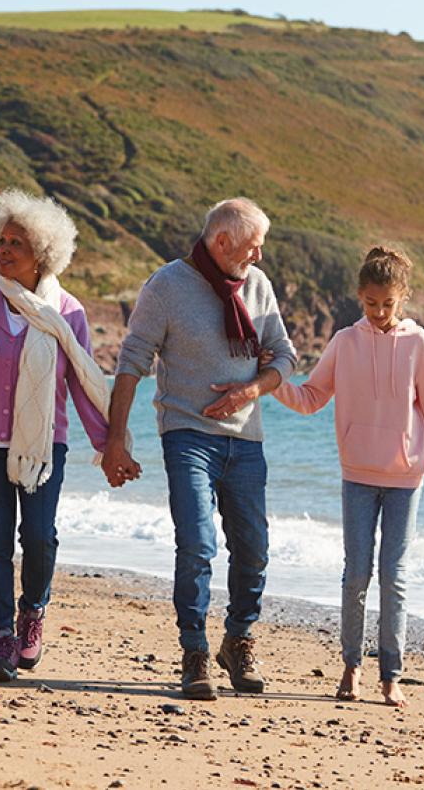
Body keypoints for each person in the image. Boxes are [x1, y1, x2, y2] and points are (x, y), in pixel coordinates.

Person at [102, 197, 297, 701]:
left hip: (246, 438)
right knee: (197, 543)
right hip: (187, 434)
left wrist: (250, 390)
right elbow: (132, 363)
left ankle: (238, 640)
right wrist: (115, 440)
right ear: (222, 242)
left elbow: (286, 356)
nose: (258, 257)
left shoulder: (257, 286)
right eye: (253, 248)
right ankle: (194, 651)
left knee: (253, 549)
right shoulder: (166, 286)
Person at [271, 246, 424, 708]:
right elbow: (313, 395)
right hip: (357, 474)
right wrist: (271, 384)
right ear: (360, 298)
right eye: (371, 304)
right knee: (356, 574)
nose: (378, 313)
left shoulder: (422, 346)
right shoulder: (344, 342)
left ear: (403, 299)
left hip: (404, 480)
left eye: (388, 305)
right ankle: (351, 667)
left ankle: (391, 675)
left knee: (393, 577)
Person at [0, 189, 119, 682]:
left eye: (17, 244)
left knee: (39, 538)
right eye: (1, 241)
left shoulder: (67, 310)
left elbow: (80, 378)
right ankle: (1, 636)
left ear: (43, 255)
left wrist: (108, 445)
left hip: (44, 444)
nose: (4, 250)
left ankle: (34, 611)